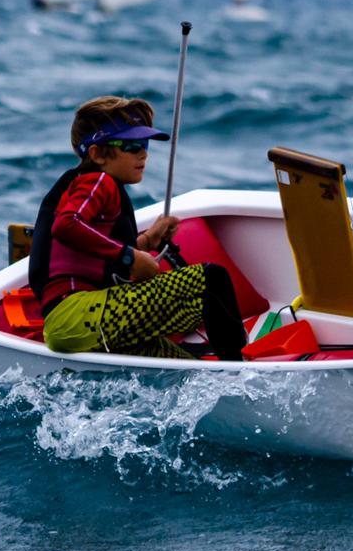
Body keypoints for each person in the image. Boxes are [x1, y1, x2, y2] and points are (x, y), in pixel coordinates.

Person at [29, 96, 248, 360]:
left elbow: (96, 253)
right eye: (131, 146)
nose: (143, 153)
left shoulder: (91, 186)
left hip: (82, 322)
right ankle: (237, 370)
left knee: (186, 368)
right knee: (212, 279)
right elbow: (66, 224)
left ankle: (221, 369)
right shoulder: (98, 181)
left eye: (144, 145)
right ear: (97, 154)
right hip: (78, 314)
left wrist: (145, 242)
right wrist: (129, 256)